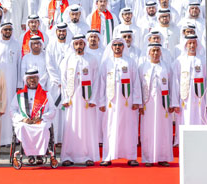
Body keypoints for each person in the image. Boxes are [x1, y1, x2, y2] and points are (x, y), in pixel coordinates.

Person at [60, 34, 101, 166]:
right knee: (71, 126)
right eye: (76, 44)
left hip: (87, 100)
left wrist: (94, 98)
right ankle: (68, 156)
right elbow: (64, 80)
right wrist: (65, 97)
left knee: (88, 127)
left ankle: (89, 155)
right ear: (73, 45)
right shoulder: (68, 59)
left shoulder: (92, 59)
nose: (79, 46)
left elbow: (96, 80)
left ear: (84, 44)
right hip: (72, 99)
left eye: (81, 43)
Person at [99, 37, 141, 166]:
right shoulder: (106, 63)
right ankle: (108, 156)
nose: (117, 47)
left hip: (127, 103)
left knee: (129, 128)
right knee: (110, 128)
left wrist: (136, 100)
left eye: (120, 45)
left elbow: (136, 82)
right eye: (115, 45)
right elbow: (101, 83)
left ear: (124, 47)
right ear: (111, 47)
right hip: (111, 102)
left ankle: (131, 156)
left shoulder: (131, 62)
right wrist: (101, 102)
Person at [139, 43, 178, 167]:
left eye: (157, 51)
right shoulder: (142, 67)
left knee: (164, 130)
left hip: (163, 106)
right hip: (147, 105)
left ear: (161, 52)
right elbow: (137, 86)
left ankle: (163, 157)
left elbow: (173, 85)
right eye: (153, 51)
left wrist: (173, 102)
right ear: (149, 52)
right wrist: (139, 104)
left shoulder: (166, 67)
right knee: (148, 130)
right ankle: (148, 158)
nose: (155, 53)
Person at [11, 68, 57, 165]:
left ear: (38, 79)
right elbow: (12, 110)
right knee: (22, 127)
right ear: (26, 80)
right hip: (25, 122)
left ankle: (40, 155)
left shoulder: (46, 94)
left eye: (34, 78)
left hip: (40, 122)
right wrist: (22, 119)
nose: (32, 80)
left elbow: (53, 110)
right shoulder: (19, 95)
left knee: (43, 127)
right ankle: (29, 154)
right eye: (30, 78)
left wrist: (42, 117)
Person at [175, 34, 207, 126]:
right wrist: (175, 102)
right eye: (190, 43)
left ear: (197, 45)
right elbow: (175, 83)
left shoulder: (203, 60)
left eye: (194, 43)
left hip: (200, 98)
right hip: (185, 99)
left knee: (200, 118)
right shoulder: (179, 61)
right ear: (186, 45)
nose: (192, 45)